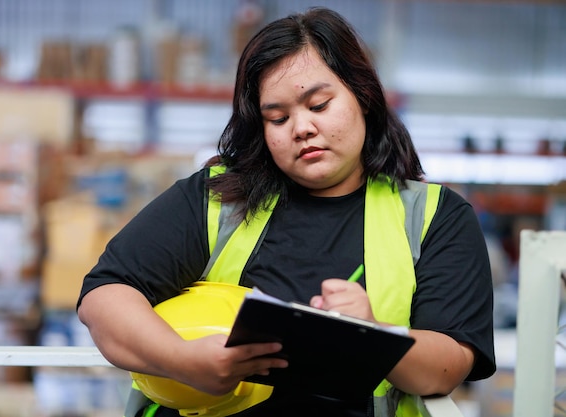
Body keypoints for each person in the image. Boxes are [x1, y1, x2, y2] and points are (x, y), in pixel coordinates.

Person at [77, 6, 496, 417]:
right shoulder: (217, 199)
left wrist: (375, 336)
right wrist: (181, 360)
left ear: (363, 97)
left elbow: (449, 364)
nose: (301, 128)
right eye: (277, 118)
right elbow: (105, 295)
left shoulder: (435, 218)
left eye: (318, 106)